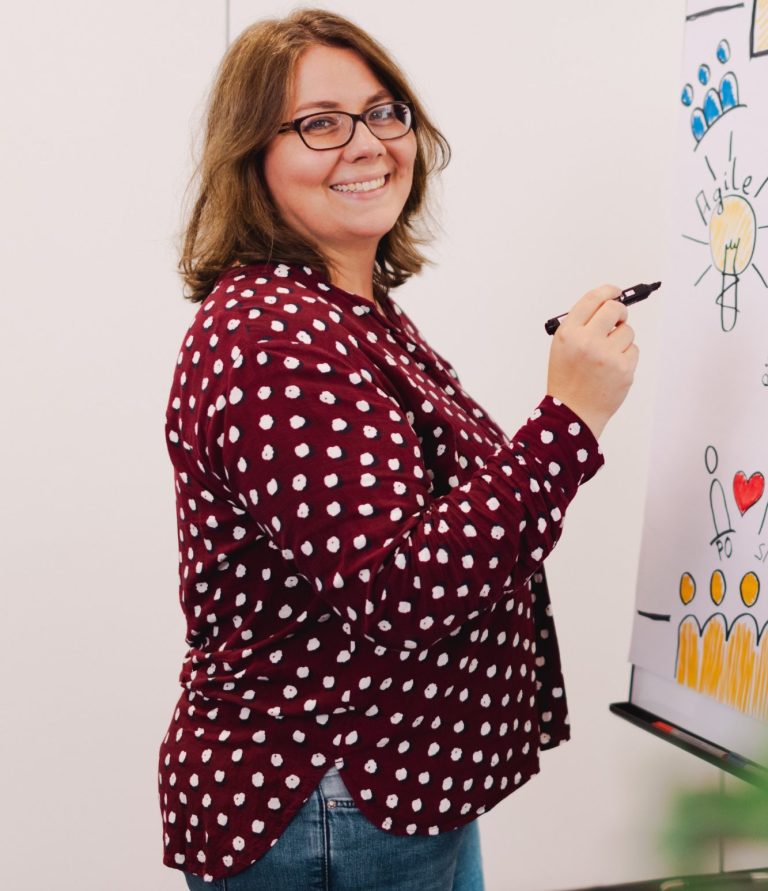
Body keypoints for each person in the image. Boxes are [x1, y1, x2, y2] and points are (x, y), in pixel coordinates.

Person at [158, 8, 639, 890]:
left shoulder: (347, 309)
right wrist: (570, 419)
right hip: (332, 800)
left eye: (386, 113)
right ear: (251, 158)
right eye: (319, 123)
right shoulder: (273, 338)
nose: (368, 144)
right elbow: (399, 591)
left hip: (385, 790)